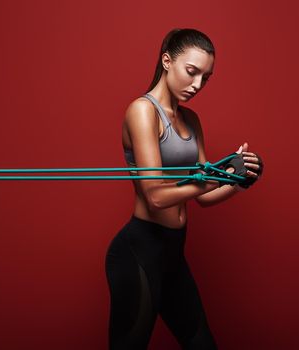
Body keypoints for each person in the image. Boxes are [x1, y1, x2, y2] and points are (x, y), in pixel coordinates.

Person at [105, 28, 264, 349]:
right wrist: (215, 176)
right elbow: (155, 195)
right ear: (167, 61)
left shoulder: (191, 119)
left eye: (205, 78)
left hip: (173, 252)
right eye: (191, 72)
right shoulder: (142, 111)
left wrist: (239, 180)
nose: (197, 85)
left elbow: (203, 197)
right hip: (139, 251)